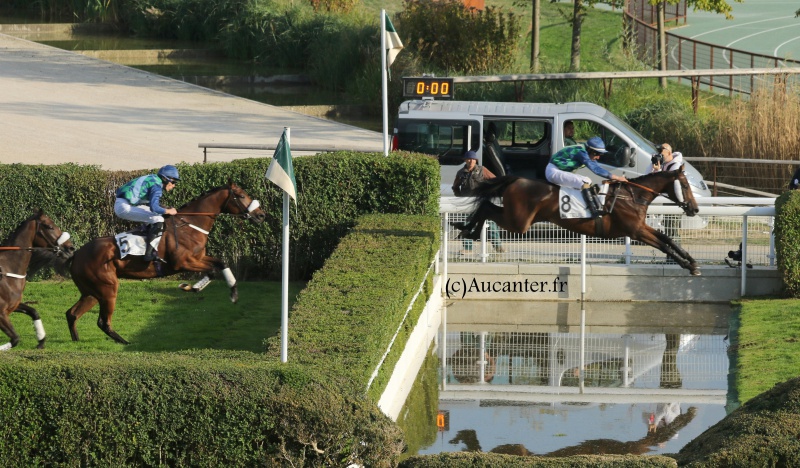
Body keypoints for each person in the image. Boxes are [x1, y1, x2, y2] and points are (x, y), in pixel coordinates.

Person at [545, 136, 628, 218]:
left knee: (587, 180)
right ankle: (593, 210)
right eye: (597, 153)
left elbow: (597, 167)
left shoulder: (585, 151)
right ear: (589, 149)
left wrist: (612, 178)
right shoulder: (581, 152)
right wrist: (617, 177)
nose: (598, 157)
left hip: (558, 170)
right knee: (585, 181)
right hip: (553, 171)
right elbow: (595, 169)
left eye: (600, 154)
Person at [114, 165, 180, 262]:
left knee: (157, 217)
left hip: (125, 203)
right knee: (159, 219)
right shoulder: (157, 186)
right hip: (124, 207)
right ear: (165, 179)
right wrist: (168, 211)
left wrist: (164, 208)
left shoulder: (153, 179)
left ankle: (145, 237)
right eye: (173, 182)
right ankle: (148, 255)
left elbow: (150, 203)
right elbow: (154, 207)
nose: (174, 185)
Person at [452, 151, 504, 254]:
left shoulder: (482, 170)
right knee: (467, 225)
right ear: (465, 160)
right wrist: (460, 197)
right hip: (468, 203)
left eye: (473, 159)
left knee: (491, 224)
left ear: (476, 160)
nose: (471, 161)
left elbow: (495, 180)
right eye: (469, 159)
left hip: (482, 202)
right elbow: (455, 187)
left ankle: (498, 247)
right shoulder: (460, 173)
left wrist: (489, 192)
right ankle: (467, 248)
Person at [649, 143, 684, 262]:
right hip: (667, 201)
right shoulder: (662, 164)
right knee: (668, 230)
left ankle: (676, 257)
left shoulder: (675, 165)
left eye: (661, 150)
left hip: (675, 202)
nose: (659, 152)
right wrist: (654, 169)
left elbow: (669, 183)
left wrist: (659, 171)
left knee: (673, 230)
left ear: (669, 152)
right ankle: (672, 257)